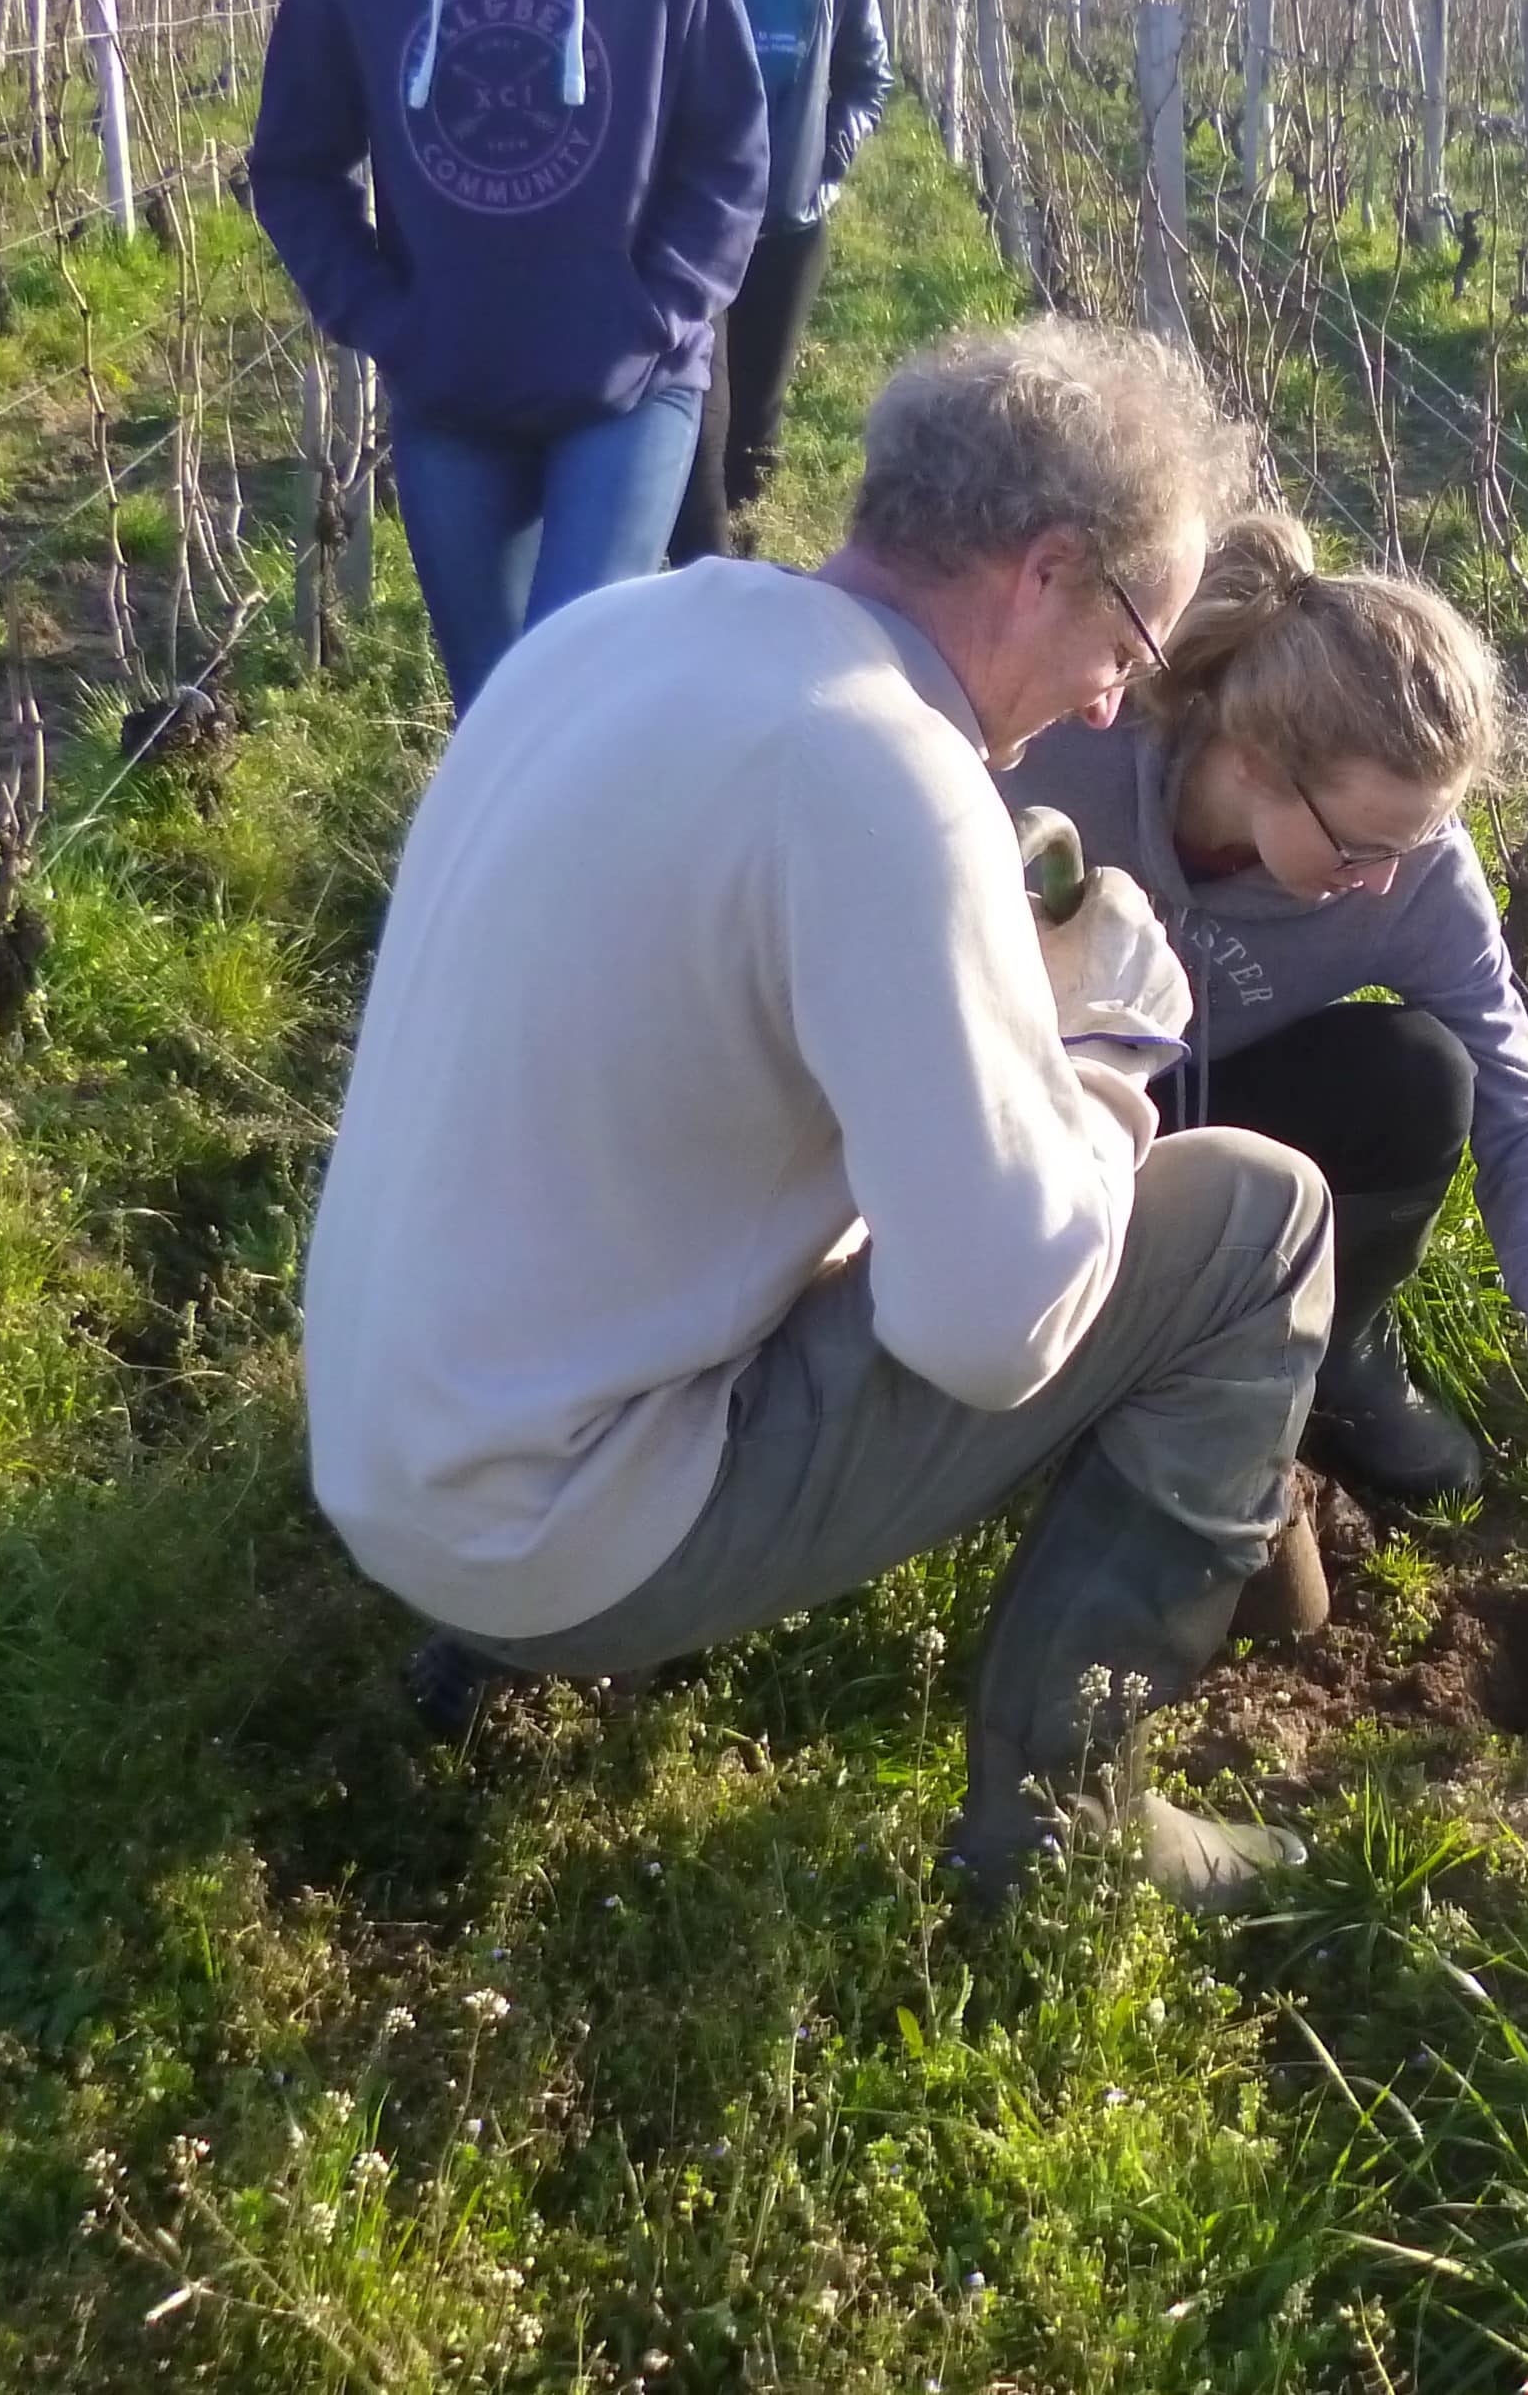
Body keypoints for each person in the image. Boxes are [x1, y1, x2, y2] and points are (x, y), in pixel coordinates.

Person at [304, 321, 1330, 1909]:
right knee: (1260, 1214)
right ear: (1043, 568)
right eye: (1130, 642)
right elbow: (994, 1326)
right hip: (554, 1536)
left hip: (396, 1452)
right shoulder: (879, 773)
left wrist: (980, 976)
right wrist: (1107, 1047)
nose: (1119, 705)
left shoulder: (619, 631)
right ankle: (1066, 1826)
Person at [999, 510, 1528, 1512]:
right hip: (1018, 1100)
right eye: (1360, 848)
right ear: (1254, 762)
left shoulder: (1415, 875)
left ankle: (1319, 1344)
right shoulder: (1068, 752)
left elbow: (1515, 1095)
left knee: (1420, 1076)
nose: (1388, 884)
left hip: (1202, 1117)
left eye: (1418, 841)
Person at [249, 0, 769, 713]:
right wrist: (390, 323)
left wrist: (657, 314)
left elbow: (727, 152)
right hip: (451, 394)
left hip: (628, 385)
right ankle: (523, 885)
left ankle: (640, 879)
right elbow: (294, 167)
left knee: (576, 687)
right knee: (495, 707)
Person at [647, 0, 891, 566]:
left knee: (754, 412)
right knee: (691, 401)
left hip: (784, 223)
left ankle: (743, 564)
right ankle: (695, 573)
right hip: (678, 217)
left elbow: (867, 77)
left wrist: (824, 165)